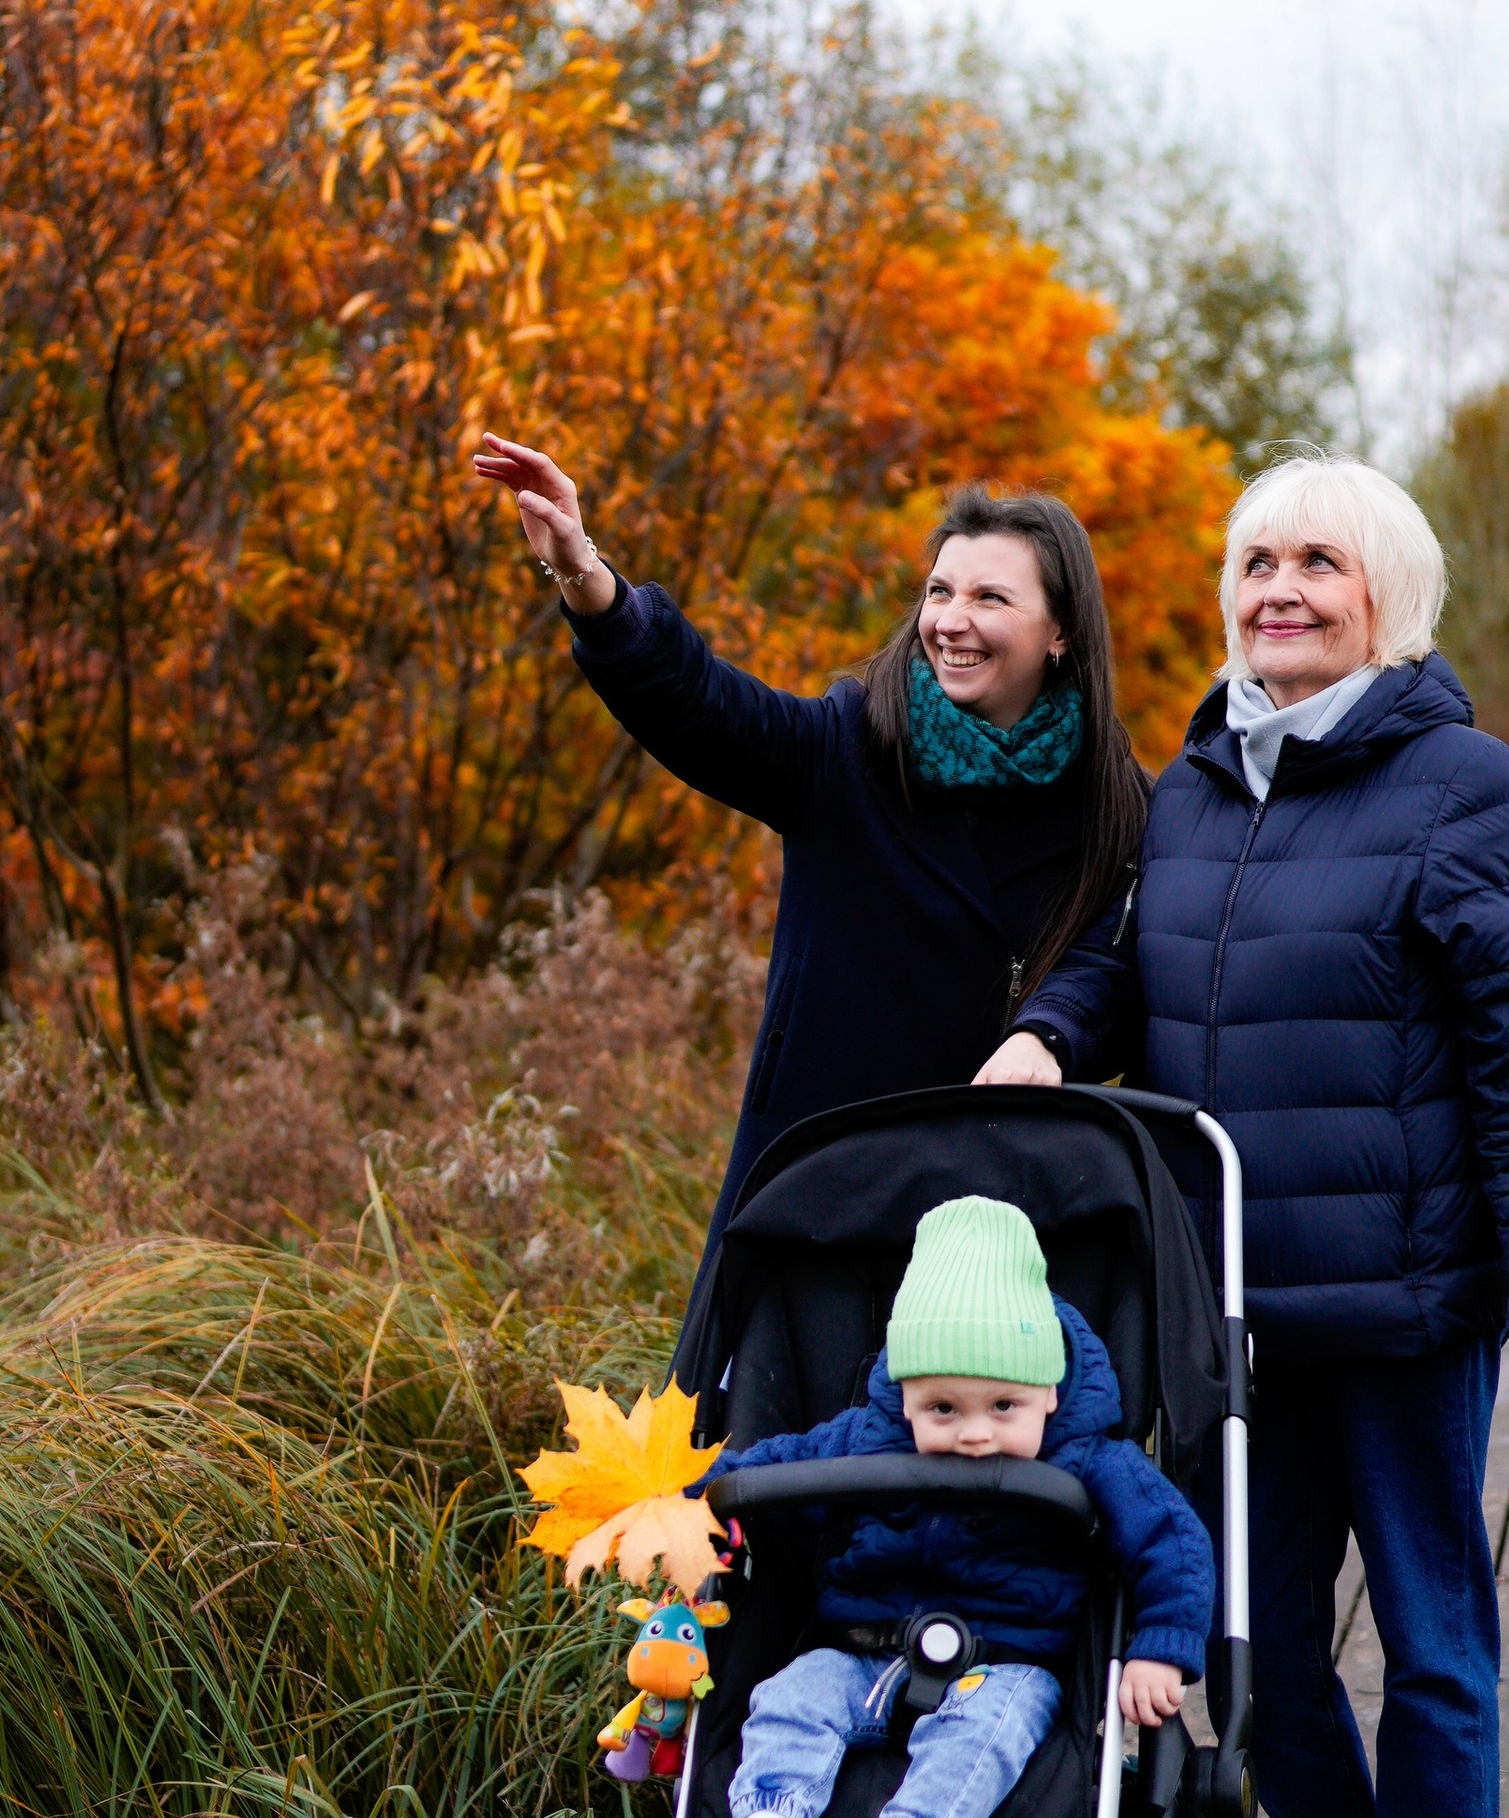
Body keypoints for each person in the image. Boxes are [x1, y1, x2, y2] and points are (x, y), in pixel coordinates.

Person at [996, 455, 1509, 1818]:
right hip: (1234, 1316)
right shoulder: (1203, 783)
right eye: (1257, 558)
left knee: (1432, 1634)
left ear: (1389, 597)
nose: (1278, 587)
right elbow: (1116, 969)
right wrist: (1040, 1042)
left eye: (1319, 563)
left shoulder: (1462, 786)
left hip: (1409, 1305)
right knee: (1250, 1638)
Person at [468, 436, 1146, 1301]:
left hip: (999, 1227)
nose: (951, 619)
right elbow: (701, 703)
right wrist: (587, 577)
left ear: (1059, 632)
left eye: (990, 597)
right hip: (814, 1206)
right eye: (939, 591)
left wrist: (1047, 1036)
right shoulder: (847, 750)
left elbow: (1116, 971)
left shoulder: (1118, 807)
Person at [715, 1195, 1215, 1818]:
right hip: (858, 1653)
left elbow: (1172, 1538)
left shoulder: (1088, 1457)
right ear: (904, 1392)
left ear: (1048, 1393)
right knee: (787, 1699)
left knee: (983, 1737)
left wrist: (1160, 1649)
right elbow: (766, 1472)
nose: (974, 1434)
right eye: (942, 1409)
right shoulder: (866, 1436)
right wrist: (697, 1504)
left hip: (1005, 1662)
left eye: (1004, 1407)